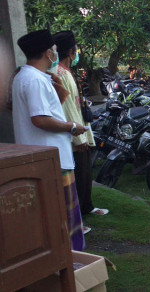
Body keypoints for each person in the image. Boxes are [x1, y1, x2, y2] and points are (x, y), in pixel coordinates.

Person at [12, 30, 87, 250]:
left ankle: (67, 261)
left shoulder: (24, 76)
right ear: (48, 53)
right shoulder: (34, 80)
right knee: (62, 219)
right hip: (52, 159)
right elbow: (40, 119)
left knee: (55, 218)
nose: (56, 53)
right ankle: (71, 262)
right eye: (54, 50)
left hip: (44, 157)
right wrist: (72, 127)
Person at [53, 31, 109, 233]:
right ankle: (77, 218)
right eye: (76, 48)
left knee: (85, 173)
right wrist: (79, 137)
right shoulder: (59, 74)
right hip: (74, 133)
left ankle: (87, 207)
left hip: (79, 129)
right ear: (70, 51)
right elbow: (67, 107)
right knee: (76, 176)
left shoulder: (66, 72)